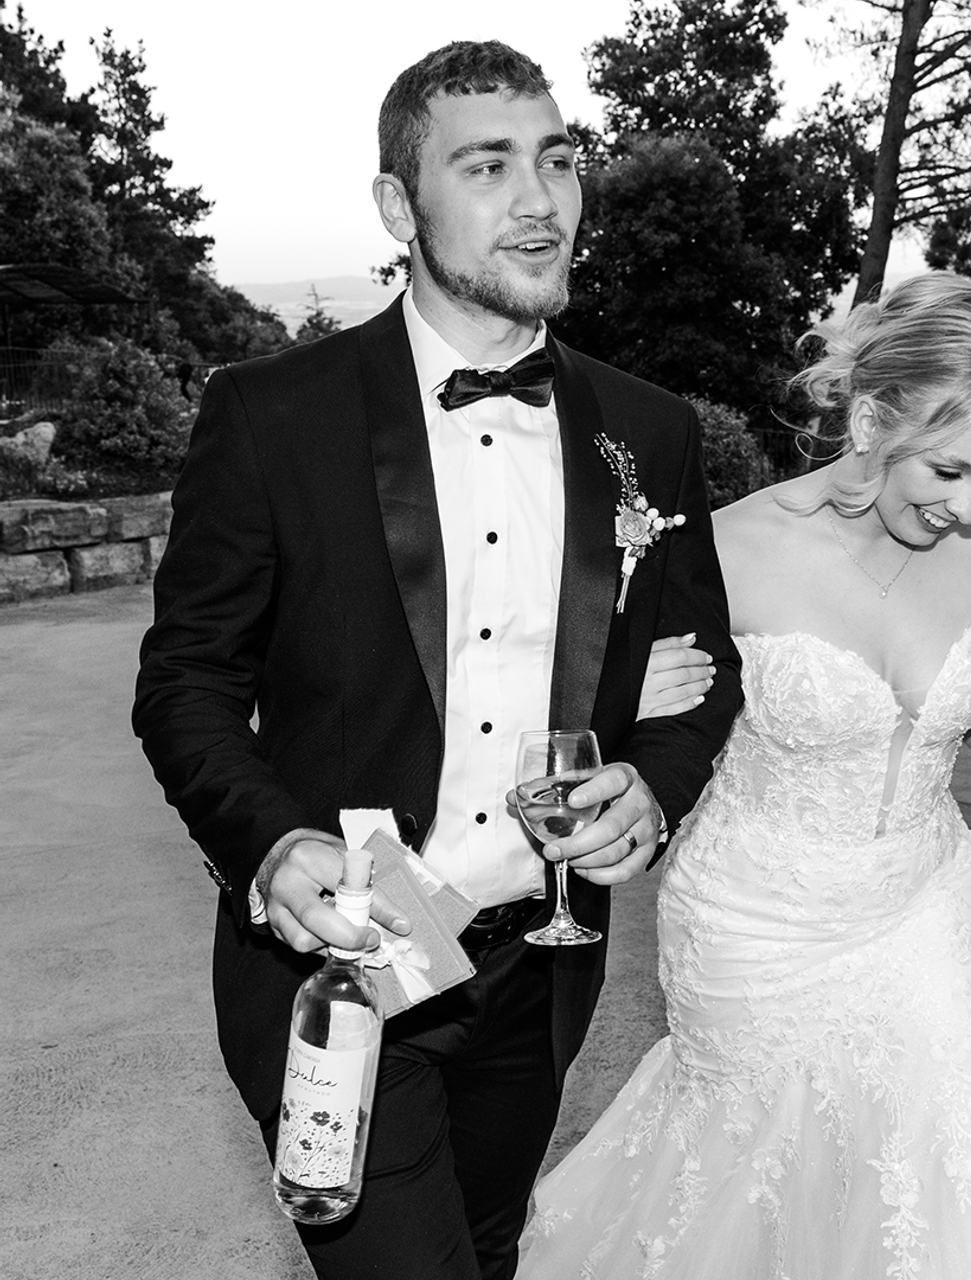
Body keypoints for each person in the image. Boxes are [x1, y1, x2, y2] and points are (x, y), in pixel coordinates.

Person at [132, 40, 742, 1280]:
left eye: (556, 161)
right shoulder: (272, 412)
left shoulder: (647, 428)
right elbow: (185, 681)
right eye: (487, 166)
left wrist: (655, 783)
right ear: (397, 206)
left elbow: (705, 665)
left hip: (542, 954)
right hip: (343, 951)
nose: (540, 200)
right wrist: (272, 842)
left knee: (488, 1244)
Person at [517, 273, 971, 1279]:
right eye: (948, 469)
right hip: (754, 922)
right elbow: (632, 725)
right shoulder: (727, 548)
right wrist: (626, 704)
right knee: (759, 1180)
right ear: (869, 421)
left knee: (955, 1151)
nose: (967, 506)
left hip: (922, 900)